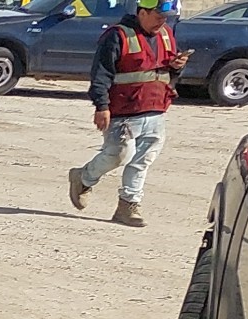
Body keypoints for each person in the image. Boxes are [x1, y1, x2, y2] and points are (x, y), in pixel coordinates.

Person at [68, 0, 191, 227]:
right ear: (142, 12)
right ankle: (83, 178)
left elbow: (168, 71)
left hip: (155, 109)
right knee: (118, 155)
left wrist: (177, 66)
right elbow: (101, 74)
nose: (162, 21)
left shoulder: (165, 34)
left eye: (165, 18)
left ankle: (128, 206)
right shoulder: (117, 36)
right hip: (123, 112)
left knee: (141, 161)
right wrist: (101, 106)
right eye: (158, 16)